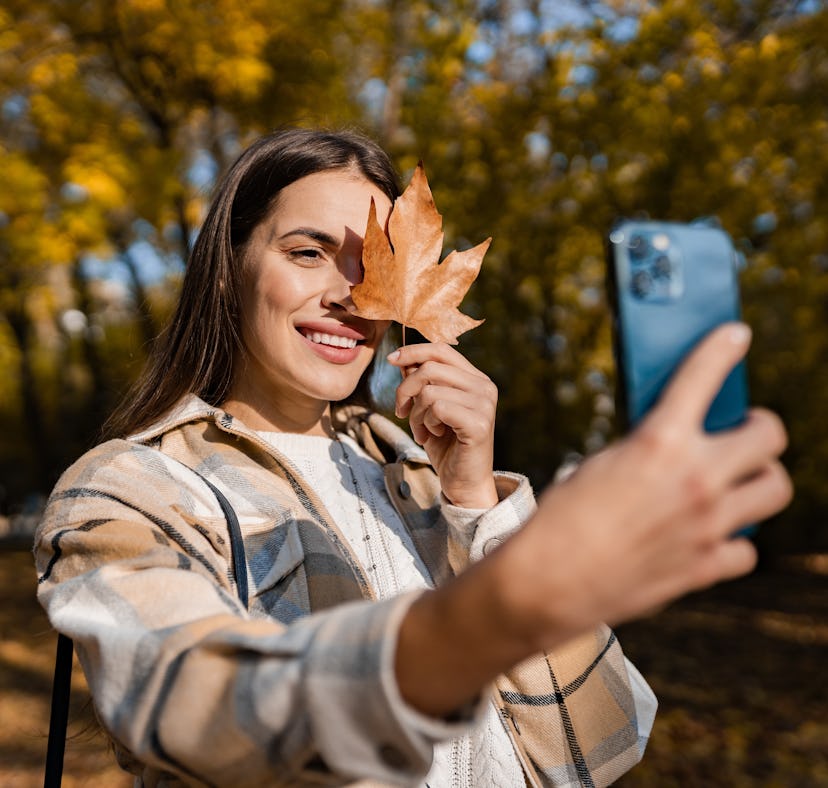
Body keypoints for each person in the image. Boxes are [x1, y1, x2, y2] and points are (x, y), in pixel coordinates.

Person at [34, 127, 792, 788]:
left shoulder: (420, 473)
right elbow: (189, 705)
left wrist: (476, 503)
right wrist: (499, 609)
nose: (349, 296)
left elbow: (604, 748)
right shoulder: (132, 489)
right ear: (229, 269)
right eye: (308, 253)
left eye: (373, 268)